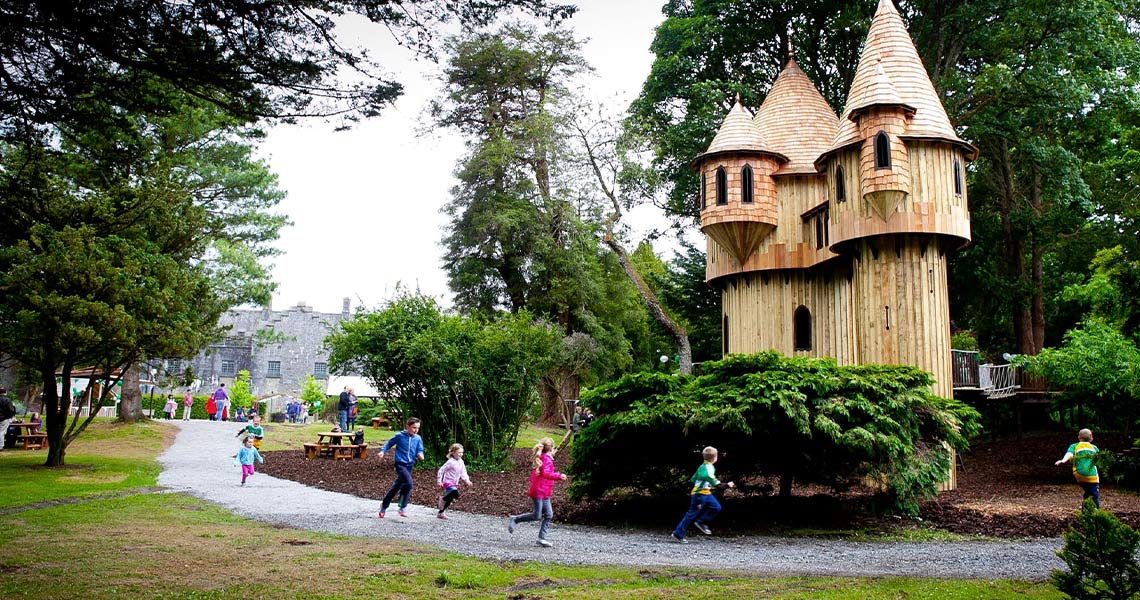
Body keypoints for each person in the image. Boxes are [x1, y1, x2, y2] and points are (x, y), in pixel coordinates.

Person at [507, 437, 566, 547]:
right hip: (539, 491)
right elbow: (546, 474)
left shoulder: (543, 457)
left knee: (548, 514)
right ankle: (516, 519)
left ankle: (541, 538)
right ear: (551, 449)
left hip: (544, 491)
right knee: (537, 515)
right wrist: (559, 475)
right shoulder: (546, 459)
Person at [672, 446, 735, 544]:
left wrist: (707, 484)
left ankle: (701, 522)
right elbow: (712, 480)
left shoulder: (708, 467)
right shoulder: (706, 468)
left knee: (716, 507)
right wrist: (727, 485)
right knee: (691, 514)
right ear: (715, 458)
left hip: (706, 493)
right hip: (699, 494)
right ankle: (678, 533)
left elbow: (695, 478)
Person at [377, 417, 424, 518]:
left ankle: (384, 505)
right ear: (407, 427)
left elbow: (419, 449)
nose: (416, 430)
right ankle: (402, 507)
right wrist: (382, 451)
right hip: (400, 464)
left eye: (418, 428)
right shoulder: (399, 436)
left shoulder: (418, 438)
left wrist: (420, 454)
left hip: (410, 465)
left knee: (396, 486)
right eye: (414, 427)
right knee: (409, 483)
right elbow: (389, 443)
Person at [1056, 428, 1101, 508]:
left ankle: (1085, 511)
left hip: (1079, 475)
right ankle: (1096, 513)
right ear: (1091, 438)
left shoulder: (1074, 446)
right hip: (1092, 476)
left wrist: (1063, 460)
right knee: (1094, 496)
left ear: (1079, 437)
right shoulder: (1094, 448)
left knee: (1088, 492)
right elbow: (1100, 459)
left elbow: (1069, 454)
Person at [436, 443, 474, 519]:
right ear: (453, 452)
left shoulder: (461, 462)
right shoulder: (450, 462)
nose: (461, 454)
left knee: (450, 499)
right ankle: (442, 499)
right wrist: (439, 481)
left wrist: (467, 480)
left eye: (462, 452)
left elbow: (463, 472)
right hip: (447, 482)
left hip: (455, 483)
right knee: (455, 493)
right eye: (459, 452)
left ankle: (440, 513)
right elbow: (441, 470)